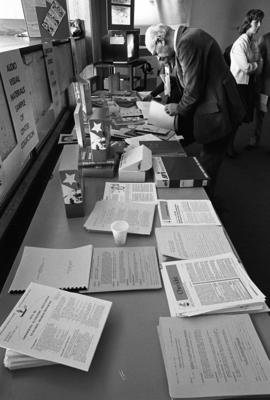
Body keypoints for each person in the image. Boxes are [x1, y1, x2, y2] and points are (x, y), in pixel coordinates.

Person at [144, 23, 245, 198]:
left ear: (160, 40)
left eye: (156, 52)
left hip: (219, 111)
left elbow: (193, 89)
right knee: (207, 161)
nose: (157, 57)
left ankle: (204, 208)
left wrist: (179, 108)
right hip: (214, 106)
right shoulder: (186, 39)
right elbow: (183, 80)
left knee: (207, 166)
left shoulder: (186, 43)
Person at [229, 9, 264, 155]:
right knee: (234, 118)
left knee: (239, 119)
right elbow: (246, 67)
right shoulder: (241, 42)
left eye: (261, 21)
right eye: (256, 22)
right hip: (238, 85)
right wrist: (258, 63)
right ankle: (227, 146)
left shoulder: (252, 41)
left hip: (247, 84)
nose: (259, 25)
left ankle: (228, 145)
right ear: (249, 22)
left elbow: (257, 63)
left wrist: (256, 64)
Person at [249, 32, 270, 149]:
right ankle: (254, 141)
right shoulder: (265, 38)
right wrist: (258, 85)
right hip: (265, 87)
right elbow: (258, 61)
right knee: (259, 115)